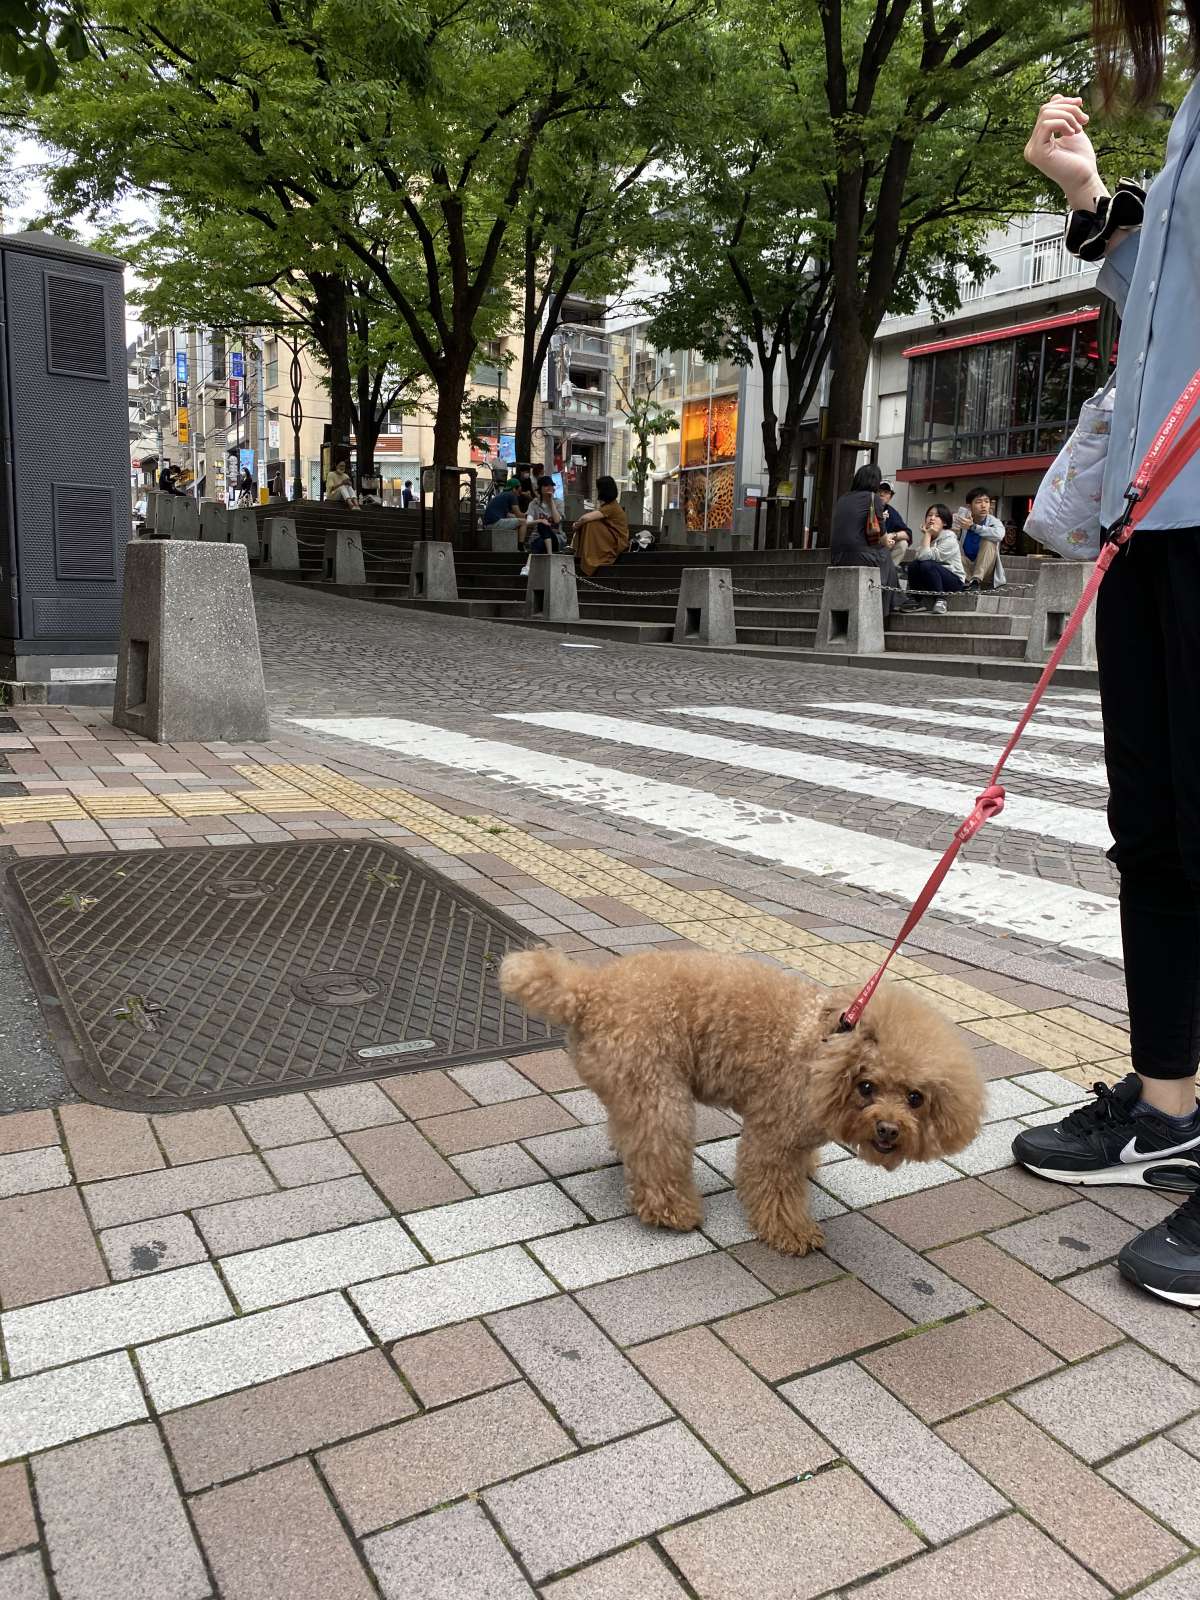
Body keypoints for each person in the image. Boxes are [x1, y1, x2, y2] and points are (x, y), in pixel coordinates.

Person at [1010, 18, 1200, 1308]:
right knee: (1158, 832)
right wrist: (1091, 200)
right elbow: (1164, 331)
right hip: (1156, 511)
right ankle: (1170, 1104)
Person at [829, 463, 919, 616]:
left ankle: (897, 598)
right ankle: (891, 604)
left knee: (883, 555)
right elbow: (882, 537)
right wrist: (889, 539)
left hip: (837, 557)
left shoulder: (843, 499)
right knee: (885, 554)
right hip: (859, 555)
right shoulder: (873, 498)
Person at [905, 504, 967, 614]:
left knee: (926, 564)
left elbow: (924, 558)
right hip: (933, 578)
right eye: (929, 515)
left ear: (945, 522)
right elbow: (918, 558)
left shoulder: (950, 539)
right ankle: (915, 600)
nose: (932, 518)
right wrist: (927, 536)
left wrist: (927, 534)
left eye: (937, 516)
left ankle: (941, 600)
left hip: (954, 581)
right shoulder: (930, 537)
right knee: (914, 565)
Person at [573, 475, 629, 576]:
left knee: (591, 524)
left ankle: (590, 560)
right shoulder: (610, 505)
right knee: (589, 523)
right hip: (612, 537)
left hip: (617, 542)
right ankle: (585, 557)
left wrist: (577, 524)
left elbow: (586, 518)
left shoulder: (611, 507)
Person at [954, 487, 1006, 589]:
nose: (983, 506)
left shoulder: (994, 521)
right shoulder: (963, 522)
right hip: (966, 568)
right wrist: (953, 530)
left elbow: (999, 535)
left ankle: (975, 581)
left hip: (986, 570)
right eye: (978, 502)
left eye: (986, 502)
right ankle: (968, 581)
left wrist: (973, 527)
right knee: (951, 546)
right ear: (969, 506)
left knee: (989, 541)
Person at [520, 476, 564, 576]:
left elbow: (557, 520)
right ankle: (550, 557)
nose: (549, 487)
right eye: (546, 485)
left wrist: (551, 501)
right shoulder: (534, 504)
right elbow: (528, 522)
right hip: (538, 537)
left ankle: (527, 566)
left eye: (551, 485)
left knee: (544, 527)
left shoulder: (558, 503)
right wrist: (540, 520)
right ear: (540, 488)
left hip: (556, 538)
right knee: (541, 530)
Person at [878, 483, 912, 562]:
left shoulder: (892, 512)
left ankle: (889, 571)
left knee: (903, 544)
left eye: (886, 492)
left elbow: (907, 534)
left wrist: (893, 535)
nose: (882, 494)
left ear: (890, 497)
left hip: (884, 548)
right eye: (879, 491)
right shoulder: (868, 507)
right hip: (867, 547)